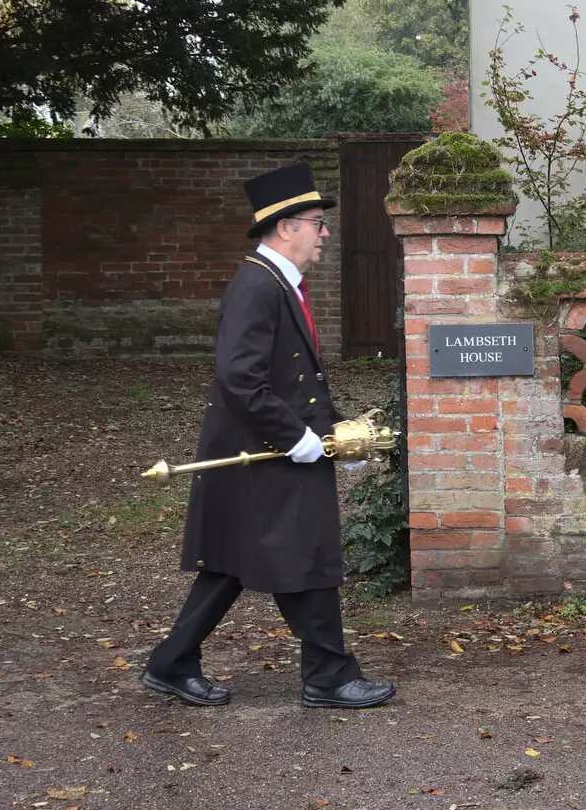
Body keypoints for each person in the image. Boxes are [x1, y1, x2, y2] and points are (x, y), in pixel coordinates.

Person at [141, 161, 395, 709]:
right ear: (285, 227)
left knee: (237, 561)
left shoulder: (278, 283)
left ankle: (171, 662)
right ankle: (328, 675)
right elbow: (240, 379)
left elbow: (297, 378)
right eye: (315, 222)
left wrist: (336, 436)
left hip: (273, 447)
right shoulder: (257, 285)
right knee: (301, 554)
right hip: (259, 452)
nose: (324, 233)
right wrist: (298, 438)